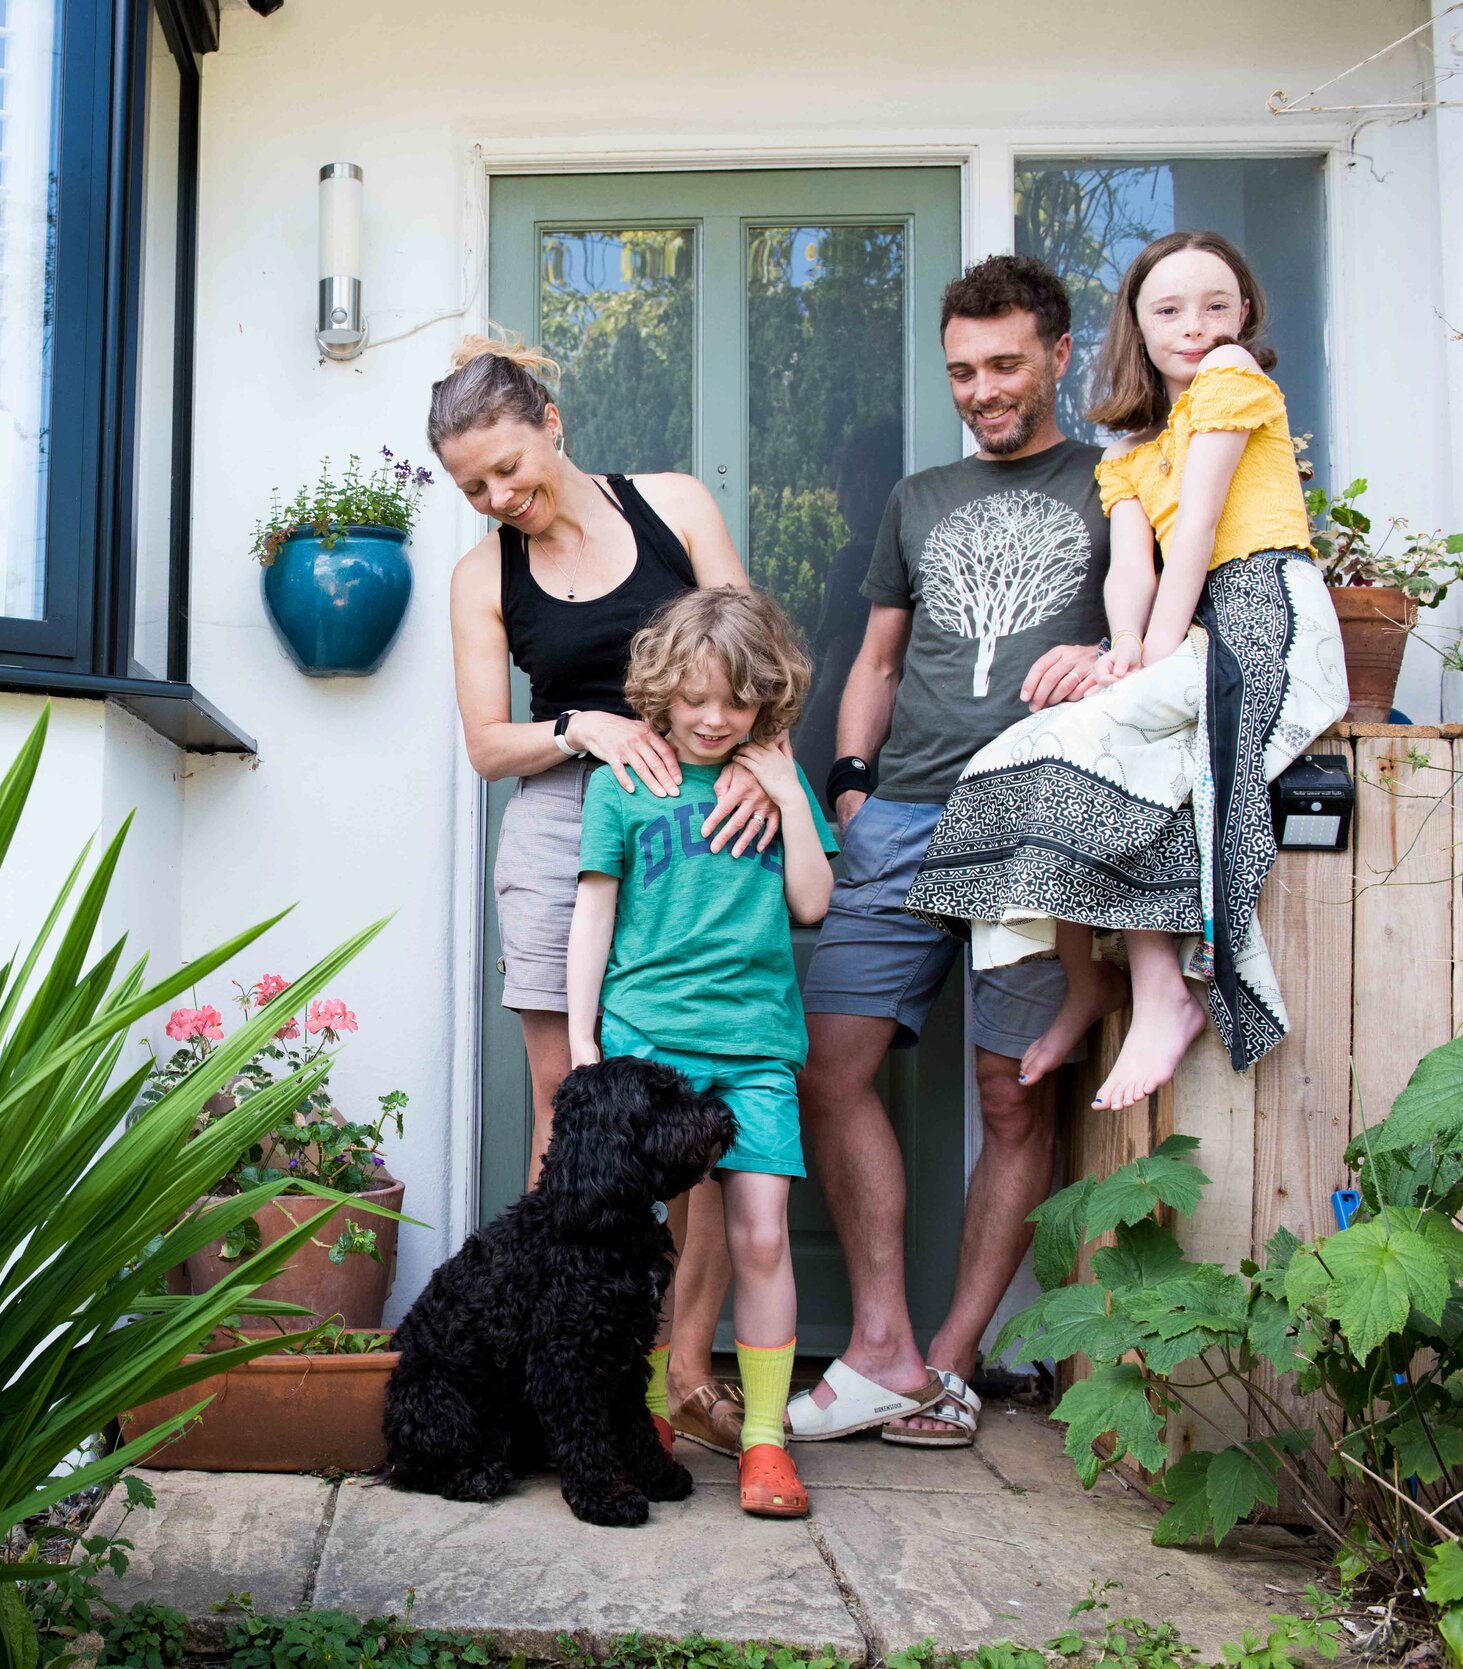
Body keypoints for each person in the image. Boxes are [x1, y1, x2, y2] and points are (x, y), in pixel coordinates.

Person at [791, 255, 1118, 1448]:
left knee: (1011, 1090)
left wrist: (1112, 657)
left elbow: (1157, 624)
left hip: (1033, 811)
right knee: (829, 1064)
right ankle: (878, 1340)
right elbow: (875, 659)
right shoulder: (917, 499)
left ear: (1058, 356)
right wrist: (849, 785)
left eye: (1003, 366)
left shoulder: (1114, 480)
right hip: (904, 811)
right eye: (961, 371)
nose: (980, 389)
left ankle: (947, 1358)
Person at [905, 232, 1348, 1111]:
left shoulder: (1232, 383)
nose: (1196, 327)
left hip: (1261, 612)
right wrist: (1122, 650)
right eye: (1169, 310)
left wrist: (1143, 657)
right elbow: (1131, 567)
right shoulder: (1130, 452)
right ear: (1136, 329)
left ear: (1246, 313)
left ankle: (1162, 994)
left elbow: (1198, 534)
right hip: (1187, 626)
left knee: (1115, 745)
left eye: (1217, 306)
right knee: (1030, 752)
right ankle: (1125, 985)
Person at [432, 334, 776, 1455]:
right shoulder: (482, 575)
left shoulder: (671, 505)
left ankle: (682, 1370)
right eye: (471, 485)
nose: (497, 496)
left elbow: (756, 659)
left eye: (506, 467)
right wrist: (574, 724)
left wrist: (769, 777)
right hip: (558, 821)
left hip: (701, 822)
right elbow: (488, 744)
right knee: (566, 1100)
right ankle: (580, 1371)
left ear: (552, 420)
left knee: (699, 1099)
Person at [566, 587, 838, 1518]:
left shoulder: (773, 785)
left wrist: (790, 791)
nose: (714, 719)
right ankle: (647, 1416)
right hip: (646, 1045)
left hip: (756, 1046)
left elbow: (811, 902)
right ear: (661, 693)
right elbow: (594, 910)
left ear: (766, 703)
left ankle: (765, 1443)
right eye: (694, 699)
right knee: (645, 1246)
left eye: (737, 702)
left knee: (761, 1234)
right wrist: (581, 1039)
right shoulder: (624, 784)